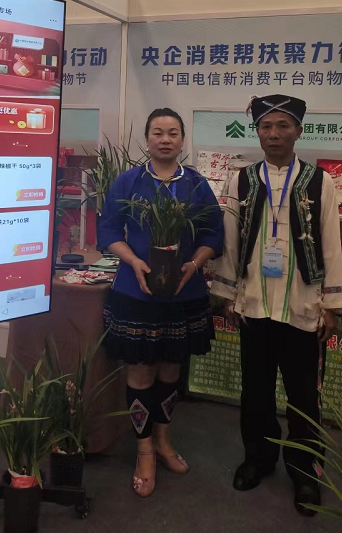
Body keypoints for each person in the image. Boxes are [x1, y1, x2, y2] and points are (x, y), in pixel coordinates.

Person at [211, 94, 342, 516]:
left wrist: (331, 304)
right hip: (254, 304)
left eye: (282, 126)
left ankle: (305, 474)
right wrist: (228, 294)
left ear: (298, 131)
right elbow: (230, 240)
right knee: (254, 390)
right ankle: (257, 459)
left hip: (301, 305)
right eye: (266, 126)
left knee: (304, 396)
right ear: (257, 131)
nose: (274, 134)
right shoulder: (242, 180)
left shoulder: (319, 181)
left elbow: (331, 242)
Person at [99, 108, 224, 498]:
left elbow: (213, 234)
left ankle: (164, 439)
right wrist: (133, 261)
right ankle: (144, 450)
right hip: (136, 292)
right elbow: (107, 229)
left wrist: (195, 264)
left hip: (184, 292)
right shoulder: (129, 181)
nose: (165, 139)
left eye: (173, 132)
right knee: (140, 373)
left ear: (183, 139)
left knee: (171, 370)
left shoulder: (196, 184)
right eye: (158, 132)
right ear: (147, 139)